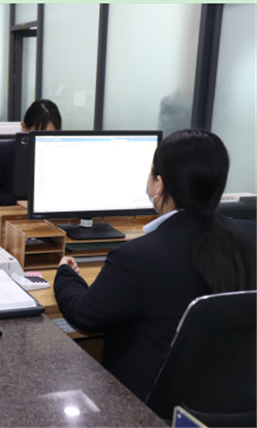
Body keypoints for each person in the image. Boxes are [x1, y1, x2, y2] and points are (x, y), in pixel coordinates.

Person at [53, 129, 256, 401]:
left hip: (146, 408)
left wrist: (65, 273)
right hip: (230, 402)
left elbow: (83, 315)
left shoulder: (137, 257)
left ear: (159, 184)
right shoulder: (249, 237)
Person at [0, 99, 62, 206]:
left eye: (51, 135)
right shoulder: (6, 151)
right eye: (39, 135)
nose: (45, 141)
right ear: (24, 128)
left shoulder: (63, 153)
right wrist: (17, 202)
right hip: (17, 213)